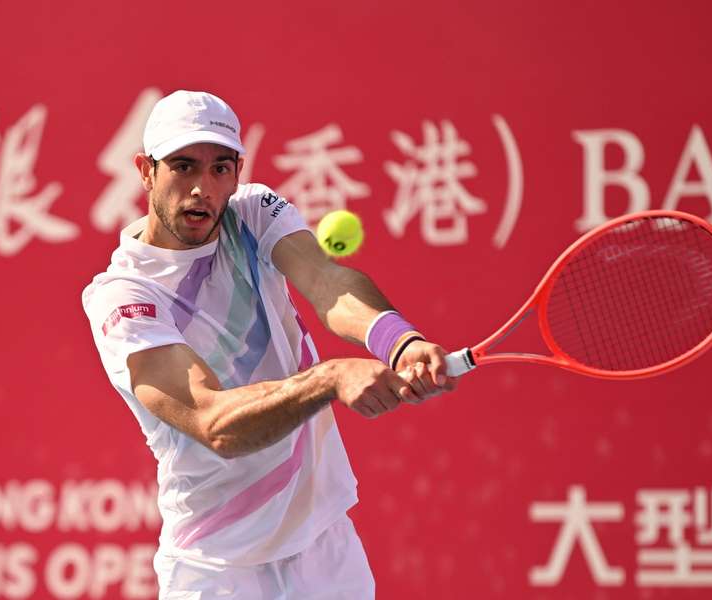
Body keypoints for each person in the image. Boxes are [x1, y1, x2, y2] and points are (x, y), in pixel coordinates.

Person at [82, 90, 457, 599]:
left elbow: (324, 281)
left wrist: (397, 340)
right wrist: (329, 378)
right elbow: (215, 422)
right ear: (146, 170)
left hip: (326, 550)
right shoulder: (124, 297)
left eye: (220, 168)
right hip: (218, 570)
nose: (201, 188)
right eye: (183, 166)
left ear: (238, 171)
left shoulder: (252, 212)